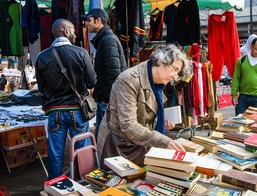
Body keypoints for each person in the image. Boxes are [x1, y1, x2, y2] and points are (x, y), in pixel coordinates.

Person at [97, 44, 193, 167]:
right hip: (117, 145)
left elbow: (144, 112)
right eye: (174, 69)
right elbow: (128, 125)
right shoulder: (129, 80)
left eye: (177, 73)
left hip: (137, 143)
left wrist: (159, 121)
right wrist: (163, 141)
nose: (175, 76)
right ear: (160, 61)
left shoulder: (158, 82)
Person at [35, 19, 96, 180]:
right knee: (82, 149)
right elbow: (92, 82)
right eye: (73, 30)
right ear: (66, 32)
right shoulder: (80, 52)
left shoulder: (41, 57)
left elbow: (41, 88)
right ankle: (85, 183)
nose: (76, 34)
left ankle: (55, 186)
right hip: (78, 111)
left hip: (55, 111)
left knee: (55, 152)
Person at [82, 8, 127, 140]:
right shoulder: (105, 39)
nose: (86, 23)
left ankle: (101, 160)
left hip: (107, 98)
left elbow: (114, 73)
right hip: (105, 96)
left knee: (104, 137)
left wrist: (108, 99)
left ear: (99, 21)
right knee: (102, 136)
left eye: (89, 20)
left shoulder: (108, 40)